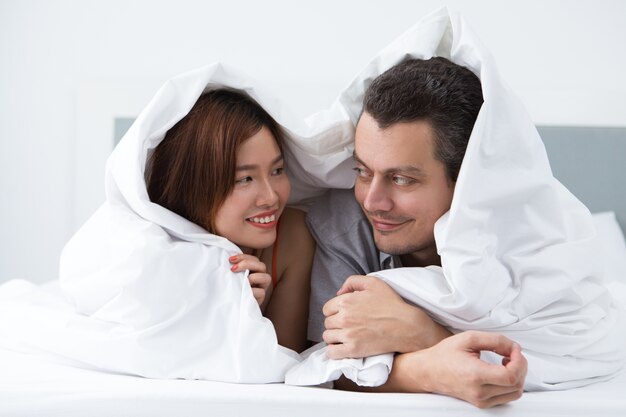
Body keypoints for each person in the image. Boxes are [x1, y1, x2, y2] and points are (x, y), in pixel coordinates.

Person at [306, 57, 527, 407]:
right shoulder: (343, 227)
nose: (373, 201)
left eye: (402, 179)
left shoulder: (530, 245)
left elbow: (528, 366)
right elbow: (321, 366)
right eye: (363, 171)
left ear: (469, 181)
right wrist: (429, 367)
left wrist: (417, 331)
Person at [147, 88, 314, 353]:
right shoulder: (158, 250)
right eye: (245, 179)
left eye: (277, 170)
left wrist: (252, 317)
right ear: (195, 186)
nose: (271, 197)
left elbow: (286, 363)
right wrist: (226, 315)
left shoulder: (291, 235)